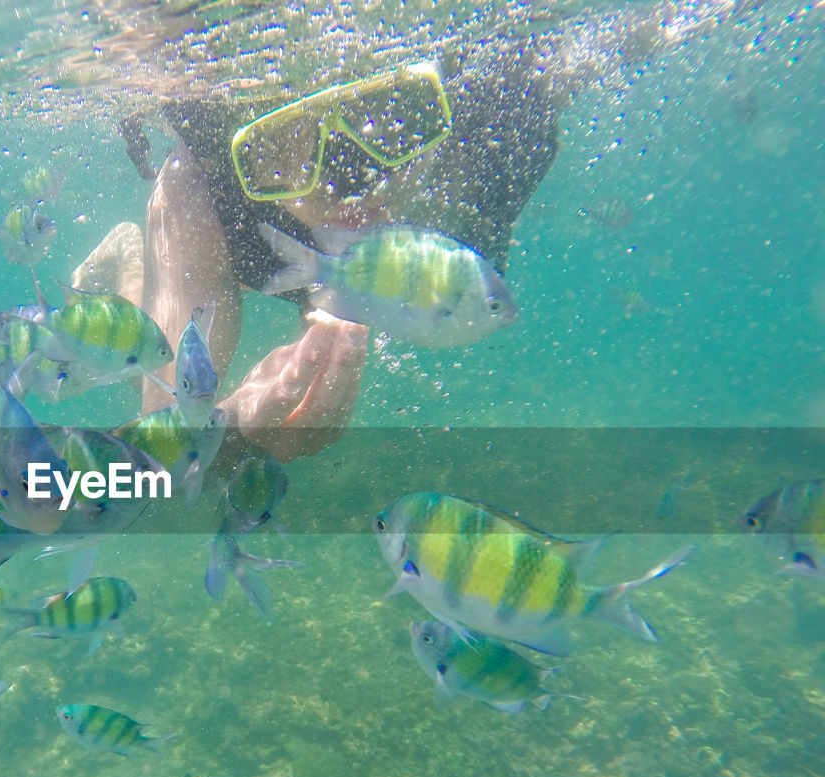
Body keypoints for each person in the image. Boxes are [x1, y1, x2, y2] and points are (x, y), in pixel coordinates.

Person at [71, 3, 717, 462]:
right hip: (245, 229)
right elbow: (160, 442)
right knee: (166, 383)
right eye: (282, 144)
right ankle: (133, 258)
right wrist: (225, 441)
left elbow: (604, 46)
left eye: (389, 119)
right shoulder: (209, 185)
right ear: (247, 140)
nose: (347, 184)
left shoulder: (496, 116)